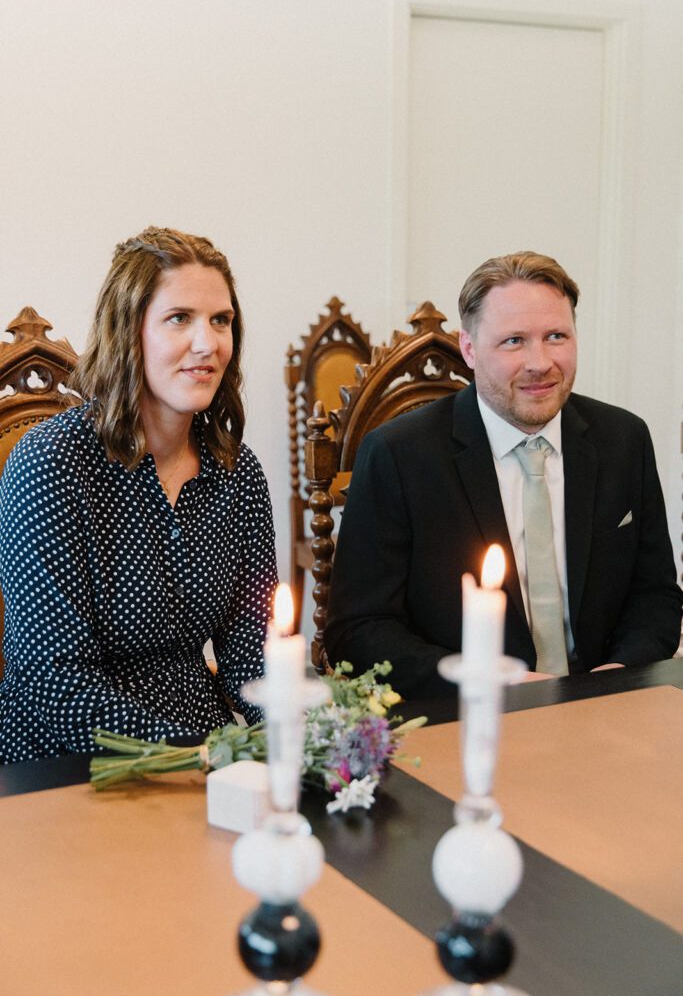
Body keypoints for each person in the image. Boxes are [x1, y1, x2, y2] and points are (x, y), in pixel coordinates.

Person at [325, 251, 682, 699]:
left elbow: (656, 596)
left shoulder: (624, 439)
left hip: (607, 704)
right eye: (514, 341)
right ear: (469, 349)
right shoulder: (399, 455)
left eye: (556, 336)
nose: (540, 362)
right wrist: (484, 680)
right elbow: (358, 631)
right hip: (462, 713)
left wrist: (616, 676)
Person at [0, 227, 278, 762]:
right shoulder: (52, 463)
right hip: (67, 755)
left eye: (221, 320)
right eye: (180, 318)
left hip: (202, 739)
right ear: (129, 331)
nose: (208, 343)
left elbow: (249, 646)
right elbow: (52, 678)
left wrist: (301, 732)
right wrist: (192, 756)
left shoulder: (236, 470)